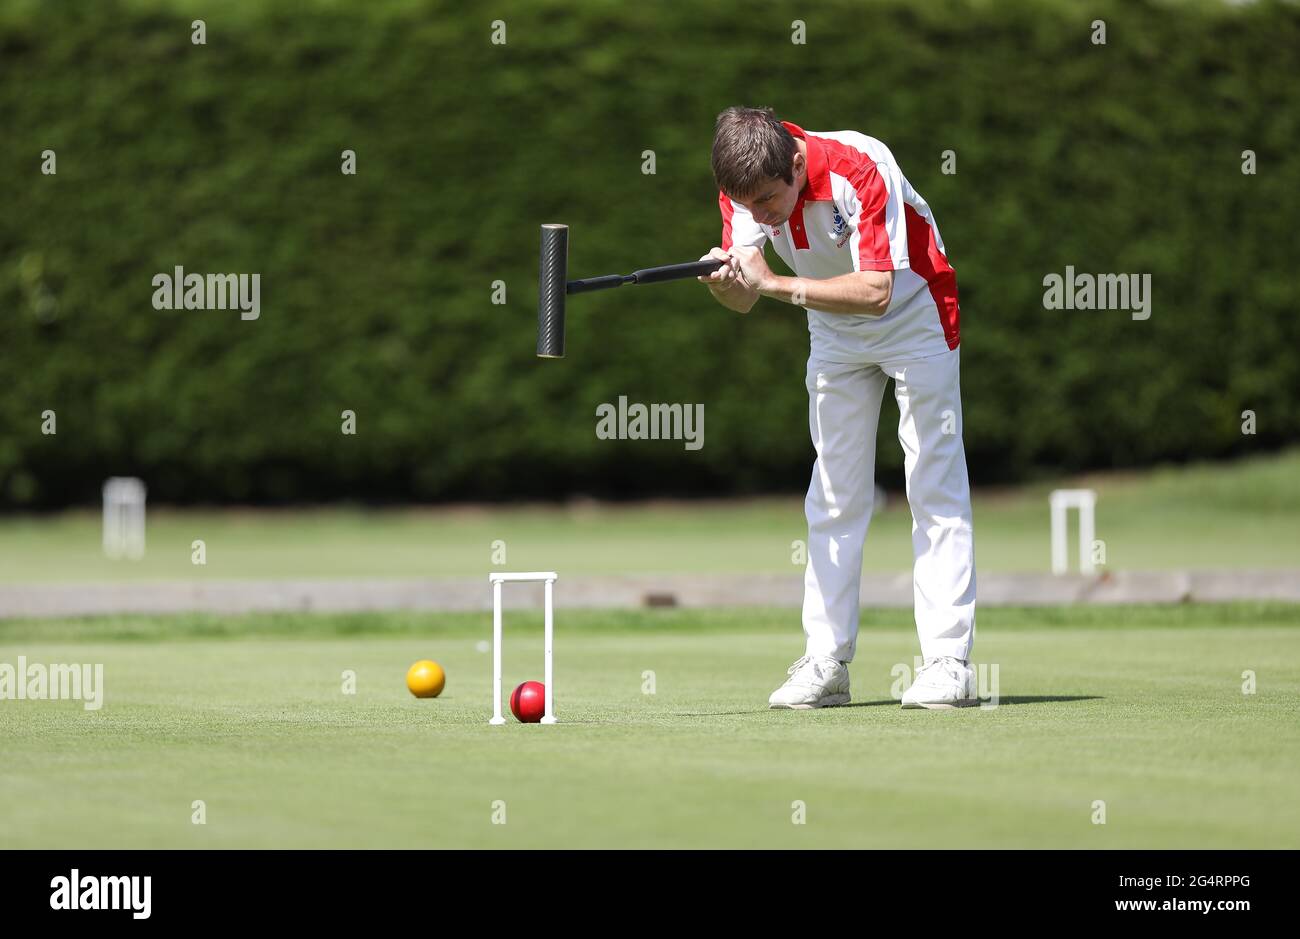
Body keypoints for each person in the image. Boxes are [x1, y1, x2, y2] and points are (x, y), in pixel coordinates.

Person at [699, 106, 978, 709]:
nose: (760, 217)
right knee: (832, 492)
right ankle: (826, 662)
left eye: (770, 202)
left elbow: (877, 293)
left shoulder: (861, 165)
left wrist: (769, 284)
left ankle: (948, 663)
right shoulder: (745, 192)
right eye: (748, 208)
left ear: (796, 163)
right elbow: (744, 301)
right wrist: (727, 284)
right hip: (831, 328)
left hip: (915, 316)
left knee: (933, 481)